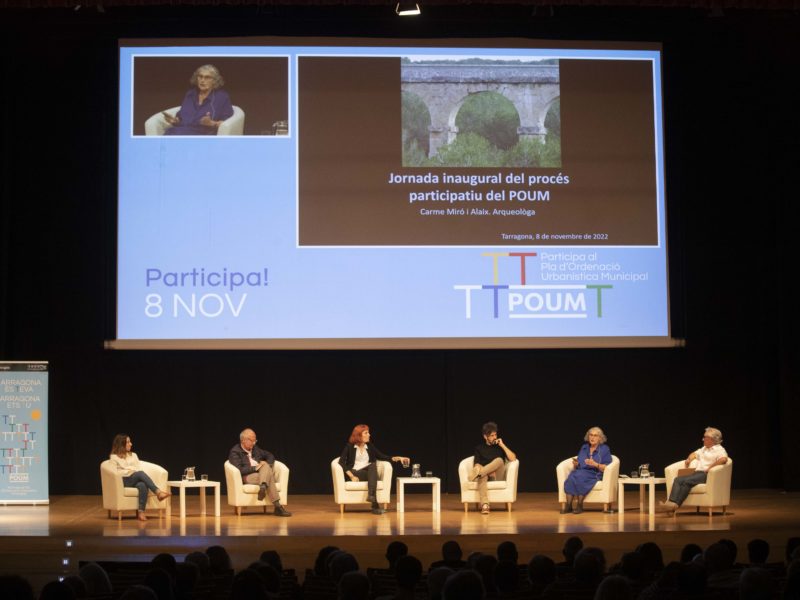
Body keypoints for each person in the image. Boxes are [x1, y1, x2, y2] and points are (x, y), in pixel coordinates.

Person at [339, 424, 410, 515]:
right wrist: (352, 476)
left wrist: (399, 458)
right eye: (366, 433)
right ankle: (374, 506)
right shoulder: (349, 446)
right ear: (359, 435)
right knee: (373, 471)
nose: (369, 435)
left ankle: (371, 496)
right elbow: (341, 462)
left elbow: (383, 456)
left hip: (369, 472)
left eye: (368, 432)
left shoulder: (370, 446)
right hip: (355, 473)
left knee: (372, 467)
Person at [660, 427, 728, 515]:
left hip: (706, 474)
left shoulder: (719, 449)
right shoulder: (704, 448)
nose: (703, 439)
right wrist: (689, 459)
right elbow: (694, 454)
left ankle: (675, 505)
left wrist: (710, 467)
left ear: (712, 439)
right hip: (697, 473)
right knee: (678, 479)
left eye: (705, 437)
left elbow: (724, 459)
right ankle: (670, 503)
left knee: (687, 481)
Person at [228, 428, 291, 517]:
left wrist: (267, 464)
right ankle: (278, 507)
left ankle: (263, 486)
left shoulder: (255, 449)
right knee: (266, 472)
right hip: (247, 477)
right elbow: (240, 470)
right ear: (243, 440)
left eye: (255, 440)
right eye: (251, 440)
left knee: (265, 466)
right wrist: (256, 468)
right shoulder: (235, 452)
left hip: (261, 475)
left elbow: (270, 455)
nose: (254, 443)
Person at [109, 434, 170, 521]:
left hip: (135, 477)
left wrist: (133, 472)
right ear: (121, 444)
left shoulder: (133, 455)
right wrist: (130, 471)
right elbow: (114, 473)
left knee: (142, 485)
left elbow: (138, 468)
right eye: (128, 442)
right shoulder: (114, 457)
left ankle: (141, 512)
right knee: (140, 473)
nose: (131, 444)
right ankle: (158, 492)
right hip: (123, 480)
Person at [162, 64, 234, 136]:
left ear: (215, 80)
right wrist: (175, 121)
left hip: (203, 135)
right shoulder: (190, 94)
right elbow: (182, 117)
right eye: (200, 76)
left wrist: (212, 123)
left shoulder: (221, 97)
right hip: (181, 131)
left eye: (207, 77)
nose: (202, 80)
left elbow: (227, 122)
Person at [469, 421, 517, 515]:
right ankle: (485, 505)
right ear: (485, 436)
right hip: (485, 476)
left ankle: (478, 474)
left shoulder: (499, 447)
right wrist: (486, 471)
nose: (494, 437)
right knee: (482, 476)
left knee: (499, 460)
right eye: (491, 435)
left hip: (497, 476)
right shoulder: (479, 448)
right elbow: (477, 465)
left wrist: (502, 445)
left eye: (495, 435)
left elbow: (513, 458)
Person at [561, 426, 611, 514]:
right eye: (591, 435)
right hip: (581, 471)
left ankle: (580, 505)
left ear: (600, 438)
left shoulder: (604, 449)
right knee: (571, 477)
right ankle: (569, 506)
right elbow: (580, 462)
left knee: (581, 477)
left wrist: (595, 464)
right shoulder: (584, 447)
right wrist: (576, 464)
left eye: (595, 435)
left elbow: (607, 467)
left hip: (594, 473)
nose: (592, 437)